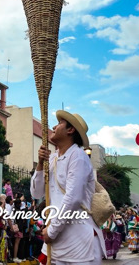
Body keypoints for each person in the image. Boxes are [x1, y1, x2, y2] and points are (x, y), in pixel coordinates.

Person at [30, 110, 106, 264]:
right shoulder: (52, 159)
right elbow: (36, 193)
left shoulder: (78, 156)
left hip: (77, 243)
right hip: (55, 241)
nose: (54, 126)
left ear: (70, 130)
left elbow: (73, 198)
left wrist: (51, 231)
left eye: (59, 124)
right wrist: (39, 164)